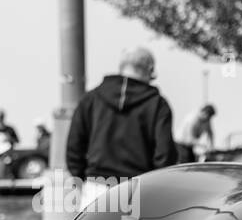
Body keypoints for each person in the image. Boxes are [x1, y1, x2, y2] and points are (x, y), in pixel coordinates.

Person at [66, 47, 176, 185]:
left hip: (96, 184)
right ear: (150, 70)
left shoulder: (91, 99)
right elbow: (164, 153)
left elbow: (74, 144)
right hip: (138, 186)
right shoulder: (157, 104)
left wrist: (81, 176)